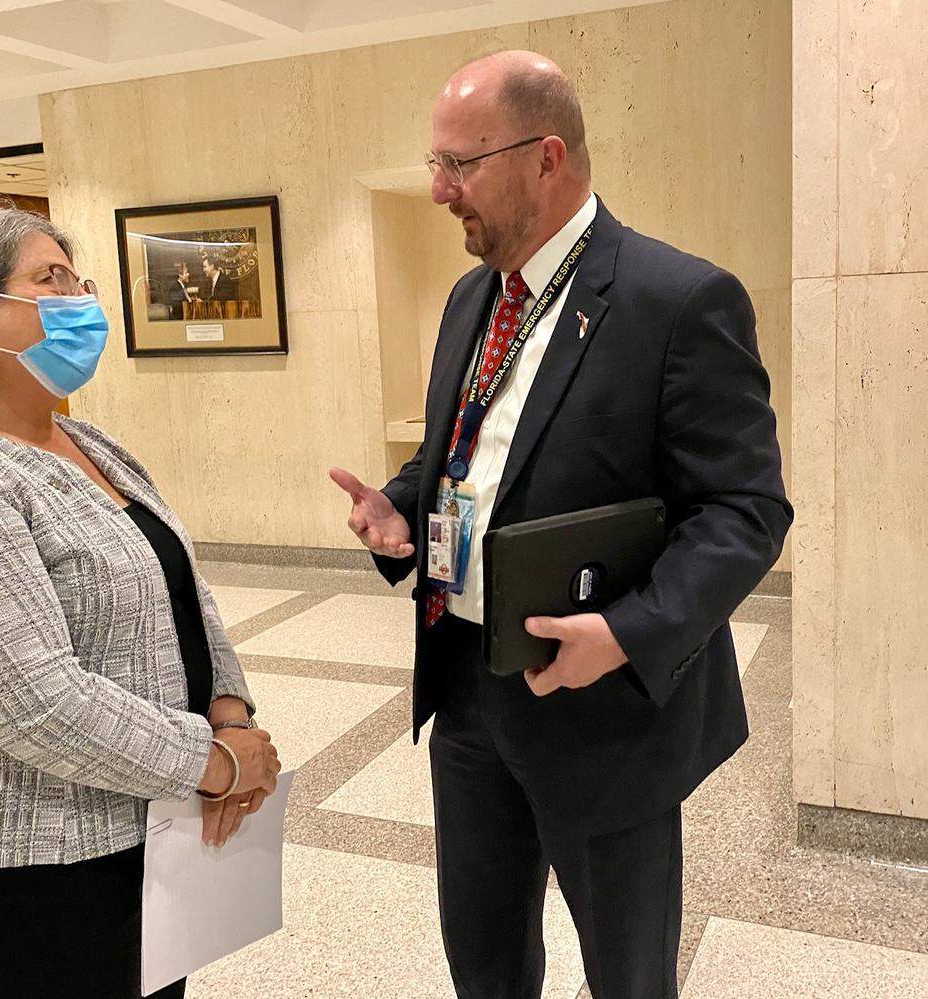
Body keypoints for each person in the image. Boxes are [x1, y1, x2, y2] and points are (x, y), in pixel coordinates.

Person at [331, 51, 791, 999]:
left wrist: (626, 632)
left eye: (460, 164)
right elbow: (463, 457)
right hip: (467, 692)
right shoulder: (471, 297)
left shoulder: (677, 300)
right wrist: (403, 506)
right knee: (485, 962)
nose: (438, 190)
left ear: (546, 157)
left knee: (627, 976)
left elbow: (745, 511)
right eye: (435, 162)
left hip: (604, 711)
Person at [0, 203, 282, 999]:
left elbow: (183, 591)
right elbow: (32, 702)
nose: (82, 301)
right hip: (29, 874)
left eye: (79, 281)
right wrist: (213, 762)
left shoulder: (85, 442)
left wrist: (230, 715)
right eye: (50, 280)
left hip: (143, 830)